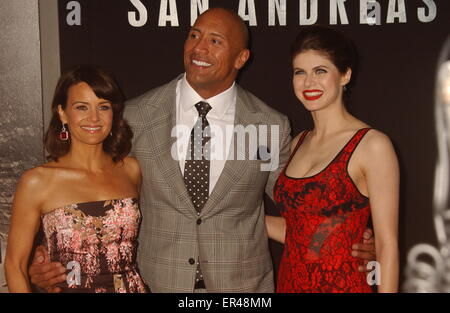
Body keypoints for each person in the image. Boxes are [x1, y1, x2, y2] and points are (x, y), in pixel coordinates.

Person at [27, 8, 375, 293]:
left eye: (215, 40)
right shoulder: (136, 115)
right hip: (156, 284)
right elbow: (92, 183)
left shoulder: (267, 124)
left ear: (241, 57)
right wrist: (49, 249)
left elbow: (298, 205)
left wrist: (346, 241)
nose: (199, 48)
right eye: (194, 35)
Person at [266, 26, 399, 293]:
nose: (308, 83)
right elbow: (301, 232)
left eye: (320, 71)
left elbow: (387, 246)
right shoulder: (297, 143)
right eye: (299, 72)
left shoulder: (372, 145)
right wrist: (238, 218)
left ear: (345, 75)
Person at [5, 65, 149, 293]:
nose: (94, 118)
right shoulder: (37, 181)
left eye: (103, 107)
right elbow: (15, 266)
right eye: (81, 107)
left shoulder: (131, 169)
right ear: (62, 113)